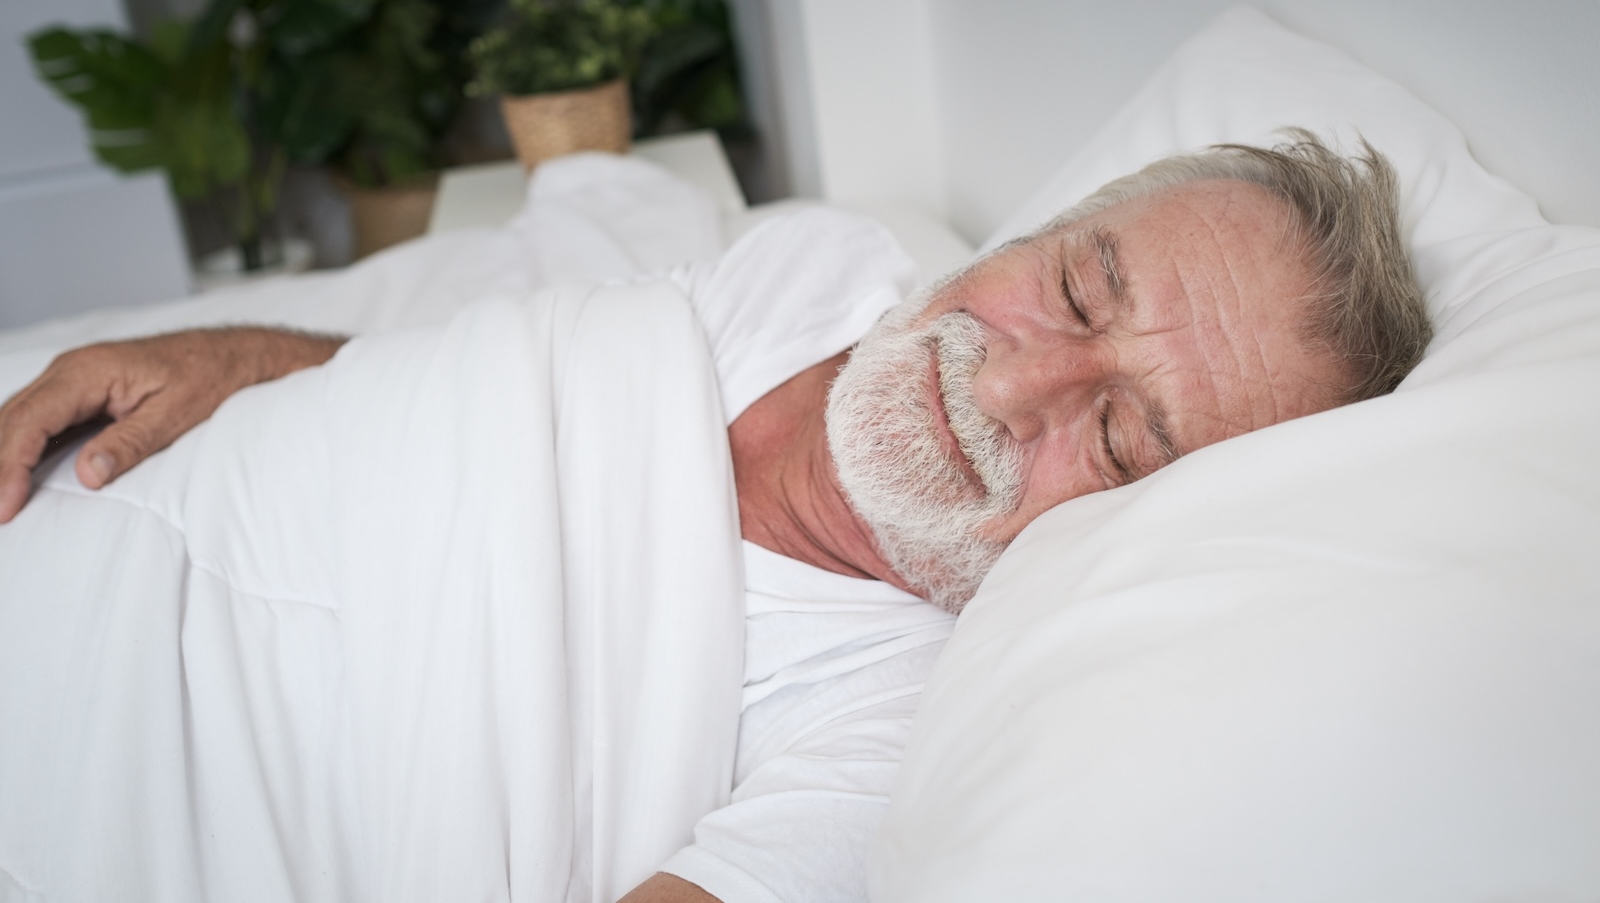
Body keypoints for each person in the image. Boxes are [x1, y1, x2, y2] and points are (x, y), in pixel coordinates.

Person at [0, 132, 1432, 902]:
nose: (1012, 384)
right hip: (67, 494)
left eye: (1118, 440)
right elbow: (485, 383)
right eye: (1071, 293)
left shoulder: (907, 736)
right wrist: (241, 357)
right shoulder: (823, 269)